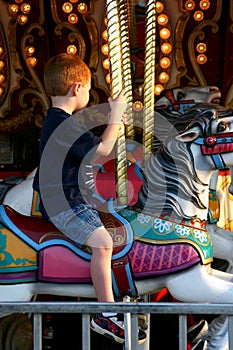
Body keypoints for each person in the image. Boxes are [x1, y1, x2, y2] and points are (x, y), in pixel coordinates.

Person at [33, 52, 146, 345]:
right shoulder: (63, 123)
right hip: (63, 203)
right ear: (76, 89)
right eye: (87, 88)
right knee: (103, 243)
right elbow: (104, 150)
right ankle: (105, 312)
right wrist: (116, 116)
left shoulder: (58, 120)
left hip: (71, 198)